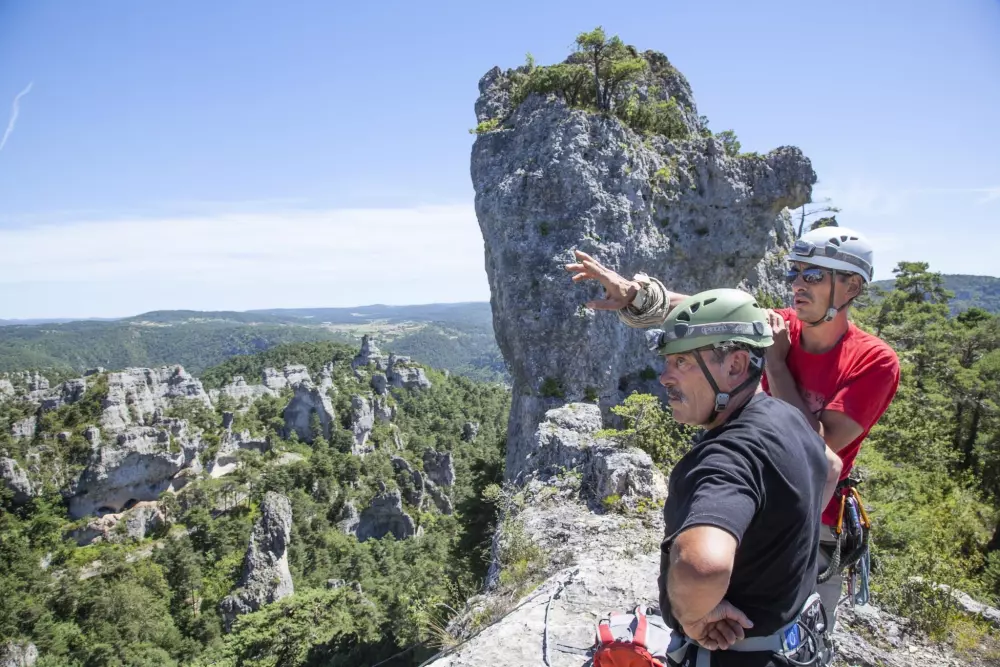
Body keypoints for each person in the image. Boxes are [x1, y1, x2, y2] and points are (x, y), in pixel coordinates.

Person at [565, 226, 901, 626]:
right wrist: (634, 294)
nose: (797, 284)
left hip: (811, 518)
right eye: (794, 272)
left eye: (812, 275)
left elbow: (818, 447)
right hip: (743, 493)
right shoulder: (780, 326)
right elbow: (707, 314)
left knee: (793, 624)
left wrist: (776, 363)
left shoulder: (873, 361)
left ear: (852, 287)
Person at [642, 288, 831, 666]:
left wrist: (692, 616)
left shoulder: (728, 456)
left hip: (733, 655)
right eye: (667, 362)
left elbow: (702, 566)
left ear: (735, 365)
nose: (665, 377)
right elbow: (832, 468)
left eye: (682, 361)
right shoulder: (787, 417)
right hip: (794, 644)